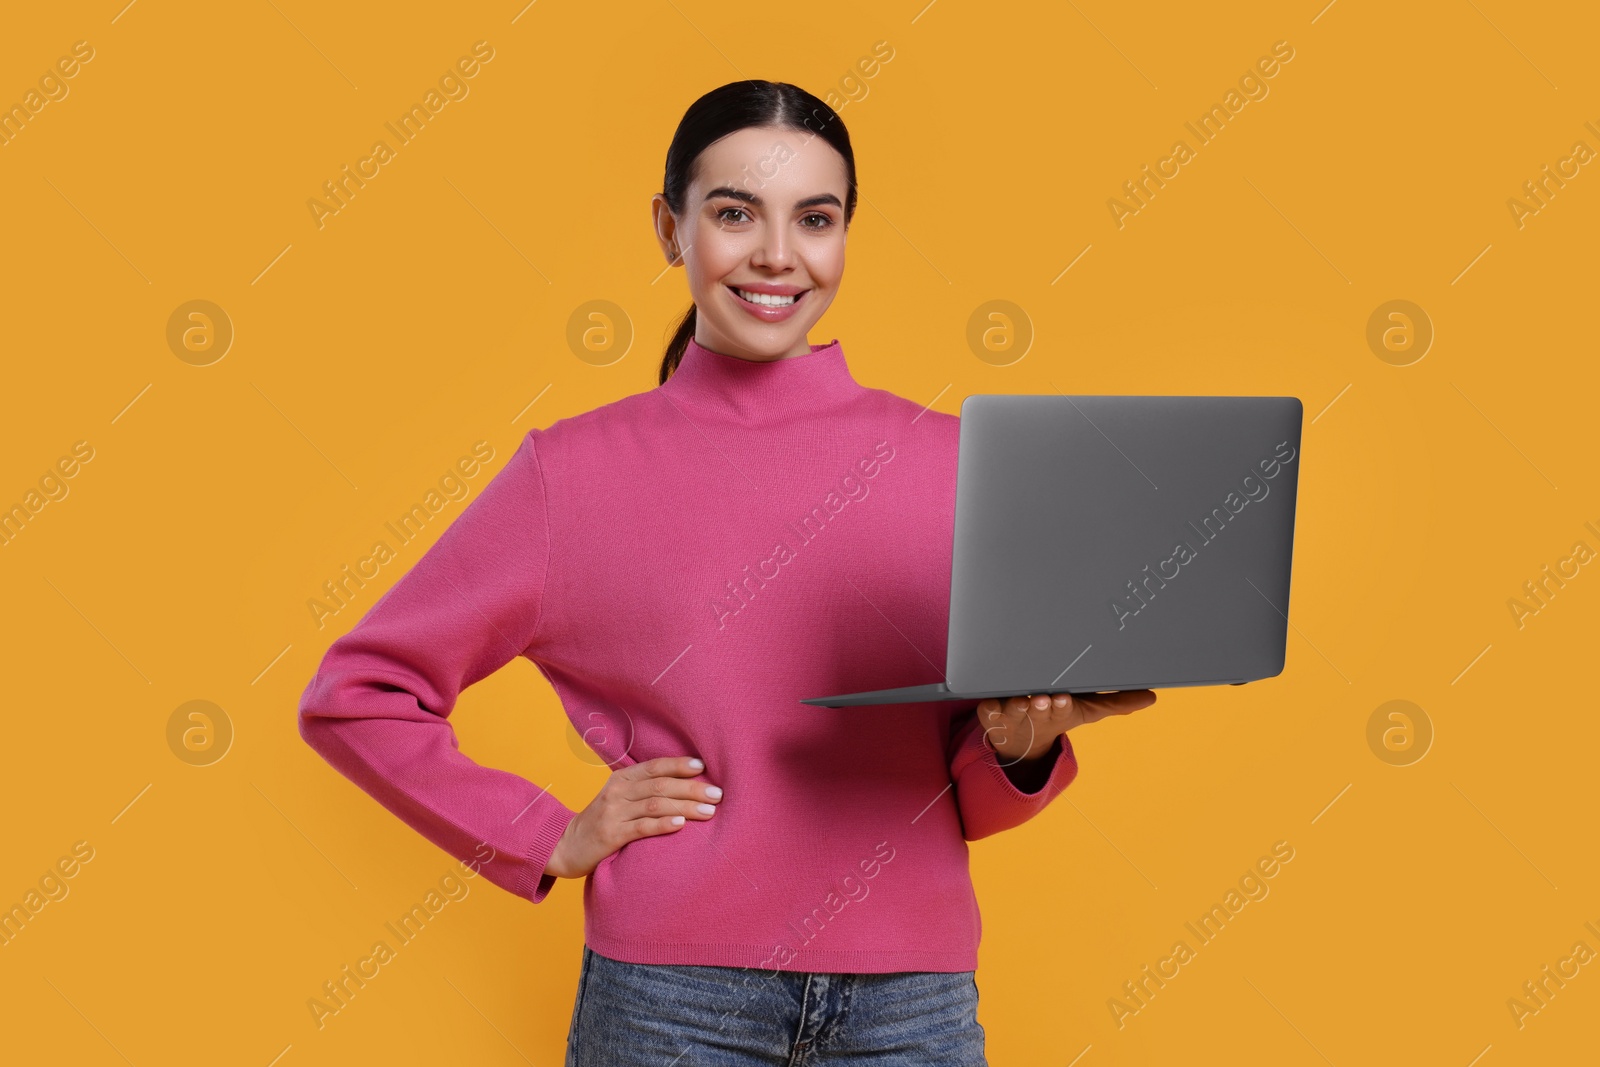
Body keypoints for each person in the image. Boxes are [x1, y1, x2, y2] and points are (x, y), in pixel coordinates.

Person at [297, 79, 1156, 1066]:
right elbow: (358, 694)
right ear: (671, 228)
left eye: (815, 218)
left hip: (912, 1003)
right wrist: (545, 834)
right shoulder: (571, 475)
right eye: (734, 212)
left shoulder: (956, 464)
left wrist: (1017, 744)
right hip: (669, 1002)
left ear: (844, 238)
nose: (777, 254)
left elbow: (967, 793)